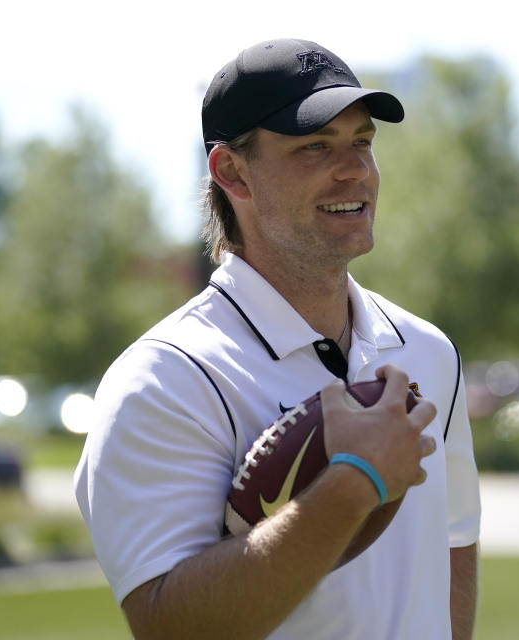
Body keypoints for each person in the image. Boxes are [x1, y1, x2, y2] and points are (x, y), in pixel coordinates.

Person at [74, 38, 481, 639]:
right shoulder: (164, 381)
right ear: (231, 172)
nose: (355, 170)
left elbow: (453, 547)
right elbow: (169, 626)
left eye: (362, 142)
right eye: (316, 146)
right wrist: (356, 481)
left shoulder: (429, 353)